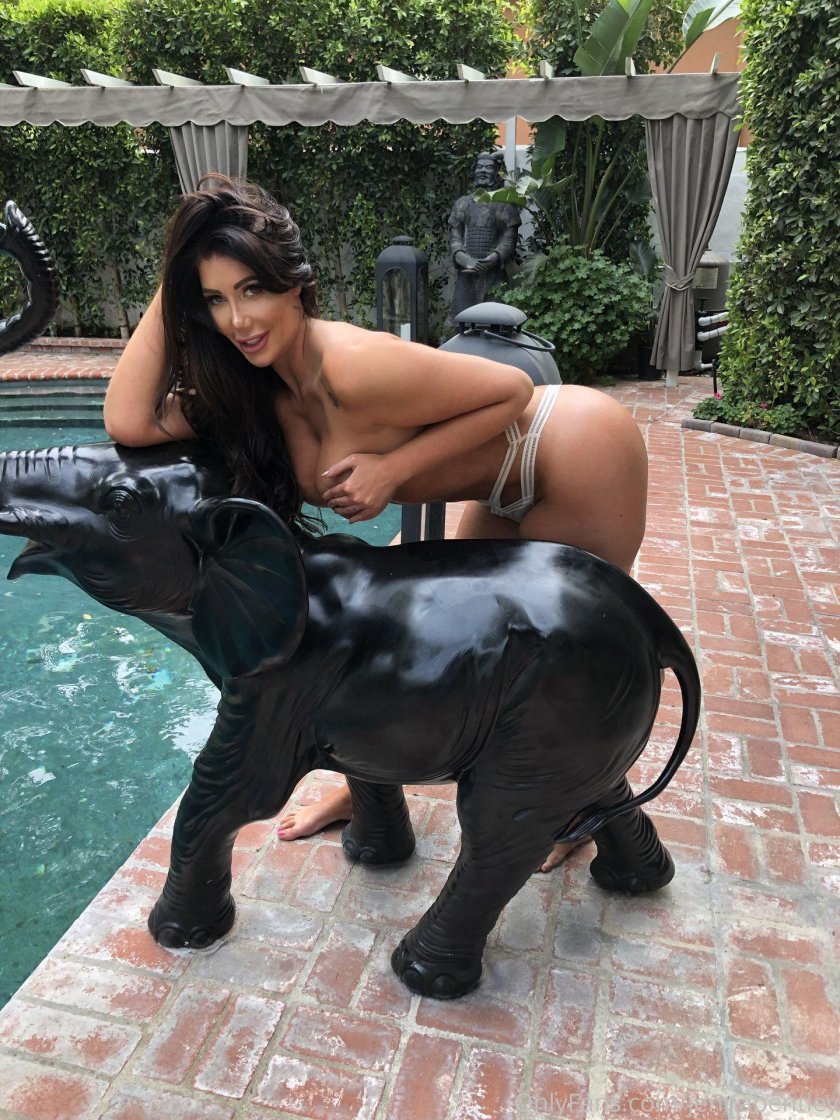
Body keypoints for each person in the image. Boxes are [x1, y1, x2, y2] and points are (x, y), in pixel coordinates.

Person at [104, 176, 648, 873]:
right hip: (503, 477)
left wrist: (394, 471)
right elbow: (129, 420)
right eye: (214, 299)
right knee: (461, 657)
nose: (238, 320)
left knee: (558, 670)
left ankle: (580, 814)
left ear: (294, 285)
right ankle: (365, 791)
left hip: (574, 454)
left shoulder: (351, 364)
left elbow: (513, 392)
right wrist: (176, 269)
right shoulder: (258, 390)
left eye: (252, 290)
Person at [448, 152, 520, 320]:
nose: (483, 171)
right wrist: (465, 259)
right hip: (467, 274)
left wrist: (493, 258)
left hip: (495, 276)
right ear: (474, 171)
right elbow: (455, 237)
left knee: (497, 323)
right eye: (479, 167)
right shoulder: (463, 203)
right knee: (460, 322)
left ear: (497, 173)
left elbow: (509, 240)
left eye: (488, 167)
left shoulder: (506, 205)